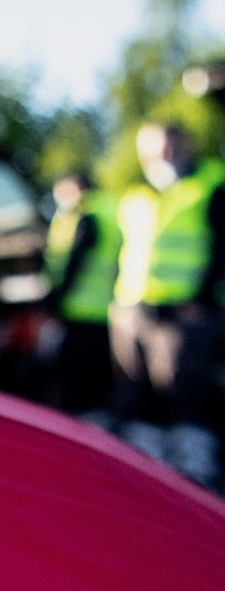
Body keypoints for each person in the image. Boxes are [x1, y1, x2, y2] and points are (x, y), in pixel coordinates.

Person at [109, 123, 225, 486]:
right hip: (134, 309)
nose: (164, 159)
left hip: (185, 312)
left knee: (186, 391)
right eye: (155, 153)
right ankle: (147, 470)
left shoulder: (209, 187)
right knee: (138, 393)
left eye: (169, 150)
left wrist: (202, 297)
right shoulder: (136, 197)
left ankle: (195, 472)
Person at [42, 174, 121, 417]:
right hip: (101, 307)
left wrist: (54, 301)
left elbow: (76, 262)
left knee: (80, 378)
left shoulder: (87, 216)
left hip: (82, 307)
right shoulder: (107, 210)